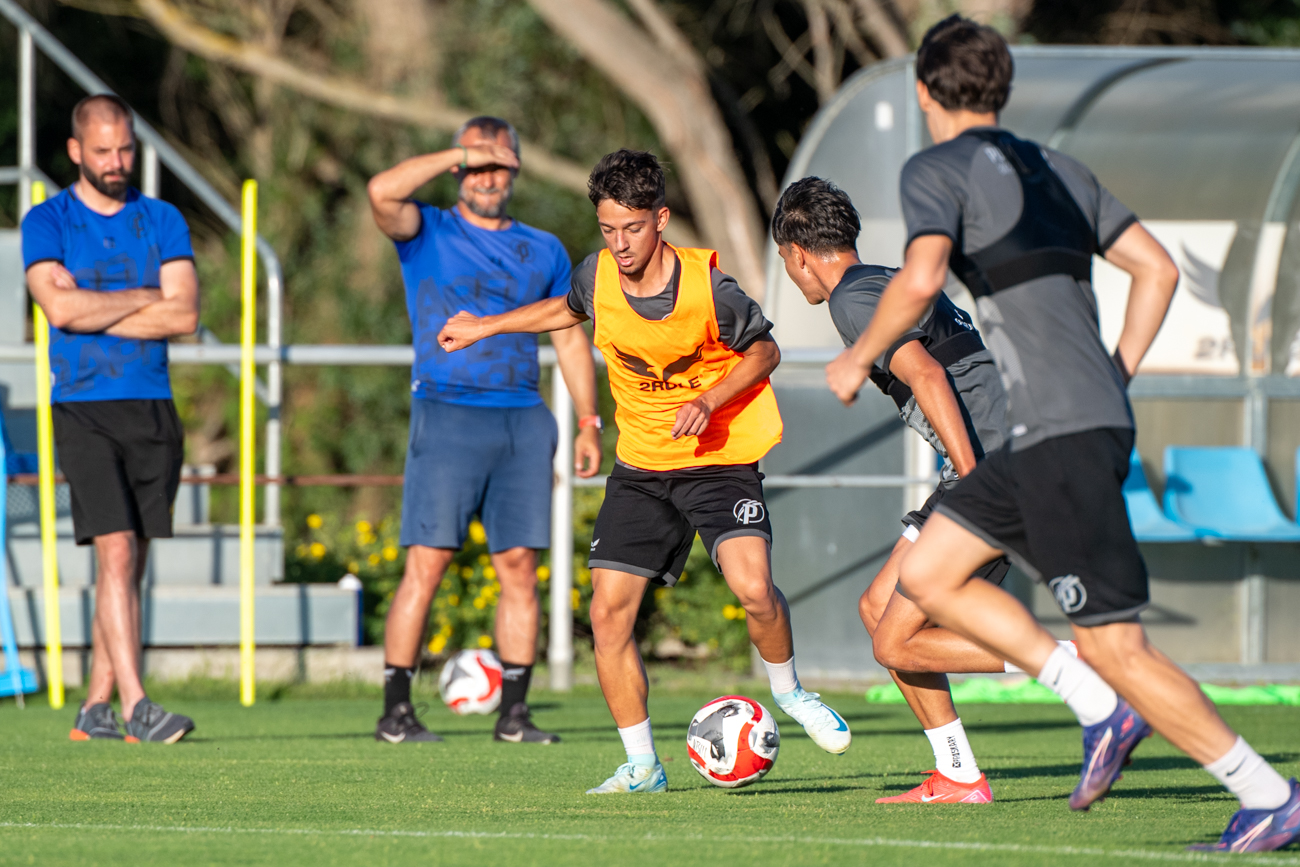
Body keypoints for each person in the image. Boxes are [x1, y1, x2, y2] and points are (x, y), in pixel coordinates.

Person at [828, 15, 1299, 851]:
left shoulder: (935, 168)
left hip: (1058, 434)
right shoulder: (1062, 167)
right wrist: (1116, 372)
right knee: (927, 573)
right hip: (1050, 429)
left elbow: (923, 276)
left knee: (1117, 648)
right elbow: (1156, 269)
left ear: (926, 92)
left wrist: (858, 355)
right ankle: (1098, 703)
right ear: (1002, 88)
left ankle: (1263, 793)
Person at [438, 149, 850, 794]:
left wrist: (710, 398)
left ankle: (790, 691)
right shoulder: (597, 275)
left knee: (753, 589)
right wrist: (484, 327)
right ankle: (641, 766)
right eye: (608, 229)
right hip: (641, 468)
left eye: (631, 228)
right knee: (608, 616)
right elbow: (565, 309)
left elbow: (766, 351)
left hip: (717, 459)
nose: (620, 243)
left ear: (660, 219)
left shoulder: (709, 287)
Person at [776, 175, 1062, 804]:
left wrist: (975, 479)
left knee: (895, 639)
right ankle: (958, 772)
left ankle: (1076, 663)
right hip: (982, 463)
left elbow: (928, 375)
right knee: (879, 610)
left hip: (988, 467)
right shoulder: (882, 282)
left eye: (784, 263)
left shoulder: (853, 299)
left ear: (796, 254)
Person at [367, 116, 602, 745]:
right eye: (478, 164)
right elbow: (381, 191)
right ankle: (395, 712)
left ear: (517, 169)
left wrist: (588, 421)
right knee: (428, 562)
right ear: (459, 168)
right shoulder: (427, 230)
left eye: (500, 164)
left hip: (522, 417)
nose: (488, 176)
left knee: (520, 566)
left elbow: (570, 338)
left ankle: (514, 715)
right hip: (446, 412)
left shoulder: (545, 249)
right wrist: (460, 151)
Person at [23, 94, 199, 743]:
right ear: (76, 151)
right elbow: (60, 312)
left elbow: (185, 314)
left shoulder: (162, 218)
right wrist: (147, 298)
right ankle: (138, 706)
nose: (116, 161)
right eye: (102, 151)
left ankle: (93, 708)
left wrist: (96, 304)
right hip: (83, 406)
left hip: (152, 404)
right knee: (116, 549)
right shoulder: (48, 220)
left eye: (125, 148)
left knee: (129, 563)